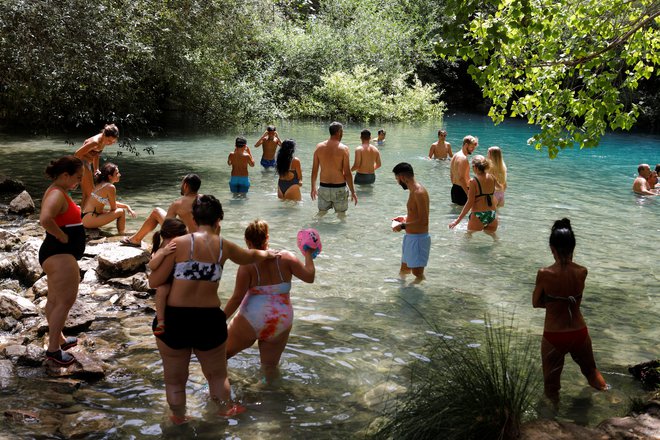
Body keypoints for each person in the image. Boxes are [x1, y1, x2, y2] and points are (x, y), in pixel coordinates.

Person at [148, 195, 276, 423]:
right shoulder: (223, 246)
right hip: (208, 320)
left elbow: (155, 281)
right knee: (217, 376)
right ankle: (224, 412)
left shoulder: (180, 243)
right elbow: (249, 256)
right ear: (219, 220)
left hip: (175, 318)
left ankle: (178, 418)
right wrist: (269, 254)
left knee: (175, 380)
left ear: (194, 219)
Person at [224, 220, 316, 383]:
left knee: (220, 355)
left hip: (251, 318)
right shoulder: (287, 257)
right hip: (280, 319)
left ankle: (215, 391)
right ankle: (270, 403)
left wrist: (219, 319)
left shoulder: (247, 265)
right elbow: (309, 277)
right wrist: (308, 253)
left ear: (247, 241)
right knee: (269, 368)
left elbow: (237, 298)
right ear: (267, 237)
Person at [532, 218, 608, 405]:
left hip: (554, 334)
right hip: (579, 332)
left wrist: (552, 304)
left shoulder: (544, 273)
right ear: (573, 247)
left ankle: (552, 424)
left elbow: (535, 303)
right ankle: (609, 399)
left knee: (551, 386)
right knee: (591, 372)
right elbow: (574, 300)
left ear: (552, 248)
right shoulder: (582, 271)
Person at [38, 156, 85, 366]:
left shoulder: (58, 191)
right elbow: (45, 219)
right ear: (65, 175)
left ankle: (60, 339)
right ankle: (54, 350)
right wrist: (61, 236)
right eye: (78, 177)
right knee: (65, 302)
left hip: (56, 254)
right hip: (59, 254)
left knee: (55, 300)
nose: (79, 181)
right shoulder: (57, 193)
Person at [121, 174, 201, 247]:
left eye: (182, 183)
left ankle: (136, 239)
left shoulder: (178, 203)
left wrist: (160, 249)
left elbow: (167, 228)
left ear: (185, 186)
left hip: (187, 239)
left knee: (156, 211)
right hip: (203, 239)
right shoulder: (206, 200)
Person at [391, 163, 430, 283]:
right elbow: (417, 214)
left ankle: (415, 296)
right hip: (410, 237)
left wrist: (403, 226)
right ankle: (401, 288)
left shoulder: (419, 192)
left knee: (417, 273)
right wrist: (405, 218)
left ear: (402, 177)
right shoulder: (413, 191)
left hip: (418, 239)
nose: (398, 182)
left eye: (397, 179)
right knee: (405, 268)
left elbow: (424, 221)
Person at [148, 218, 188, 336]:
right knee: (161, 291)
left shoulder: (178, 247)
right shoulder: (162, 250)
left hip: (178, 281)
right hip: (166, 282)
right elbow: (152, 265)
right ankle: (161, 321)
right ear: (175, 236)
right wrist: (164, 253)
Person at [310, 122, 358, 215]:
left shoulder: (319, 147)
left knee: (321, 214)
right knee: (341, 216)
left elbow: (314, 170)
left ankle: (316, 229)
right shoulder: (344, 149)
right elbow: (347, 173)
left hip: (324, 187)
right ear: (339, 132)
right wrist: (353, 191)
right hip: (339, 187)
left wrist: (313, 188)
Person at [448, 155, 498, 235]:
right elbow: (500, 188)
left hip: (478, 215)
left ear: (475, 167)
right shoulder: (492, 177)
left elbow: (470, 202)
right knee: (494, 238)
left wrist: (457, 220)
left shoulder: (473, 181)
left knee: (467, 238)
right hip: (492, 214)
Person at [81, 163, 136, 234]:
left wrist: (127, 206)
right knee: (121, 212)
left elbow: (107, 202)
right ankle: (121, 233)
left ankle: (121, 232)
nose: (119, 175)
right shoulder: (110, 187)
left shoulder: (100, 184)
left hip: (86, 217)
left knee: (114, 210)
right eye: (117, 173)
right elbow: (114, 208)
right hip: (90, 219)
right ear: (110, 176)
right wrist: (108, 212)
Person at [74, 124, 119, 206]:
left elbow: (96, 154)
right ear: (104, 134)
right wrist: (78, 169)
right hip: (82, 163)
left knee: (87, 194)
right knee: (91, 192)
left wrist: (96, 169)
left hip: (87, 164)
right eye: (109, 141)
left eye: (113, 142)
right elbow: (77, 154)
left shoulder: (103, 140)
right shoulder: (95, 142)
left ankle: (83, 215)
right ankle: (85, 215)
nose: (110, 143)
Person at [449, 135, 478, 206]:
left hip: (455, 189)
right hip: (462, 191)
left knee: (456, 213)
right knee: (463, 215)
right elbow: (461, 178)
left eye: (474, 148)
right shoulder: (463, 159)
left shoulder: (455, 155)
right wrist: (469, 195)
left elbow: (452, 174)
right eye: (471, 147)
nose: (472, 150)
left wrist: (455, 187)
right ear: (466, 145)